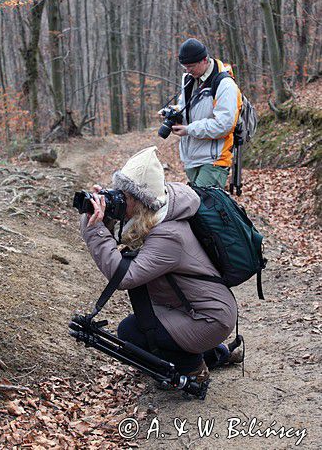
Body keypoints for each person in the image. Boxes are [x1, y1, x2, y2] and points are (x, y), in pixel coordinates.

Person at [80, 146, 238, 383]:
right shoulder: (157, 213)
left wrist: (94, 229)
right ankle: (216, 354)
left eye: (125, 196)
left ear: (142, 200)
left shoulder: (169, 235)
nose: (119, 200)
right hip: (193, 309)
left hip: (208, 319)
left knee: (131, 332)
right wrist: (108, 214)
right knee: (144, 319)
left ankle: (194, 369)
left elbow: (124, 277)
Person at [171, 38, 242, 189]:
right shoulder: (189, 80)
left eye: (191, 66)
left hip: (214, 159)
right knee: (198, 207)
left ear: (204, 60)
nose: (187, 70)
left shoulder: (225, 84)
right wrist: (174, 113)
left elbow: (224, 125)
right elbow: (186, 108)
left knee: (205, 209)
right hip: (192, 157)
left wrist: (189, 129)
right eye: (184, 66)